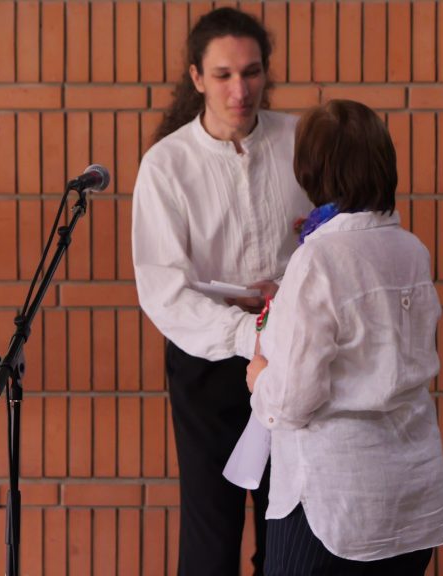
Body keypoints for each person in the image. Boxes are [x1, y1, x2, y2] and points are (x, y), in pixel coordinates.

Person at [131, 7, 313, 575]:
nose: (241, 90)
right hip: (208, 363)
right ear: (196, 77)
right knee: (211, 536)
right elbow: (164, 290)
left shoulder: (301, 141)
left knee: (290, 529)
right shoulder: (167, 165)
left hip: (293, 357)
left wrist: (287, 295)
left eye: (252, 72)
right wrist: (248, 332)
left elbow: (336, 243)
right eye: (224, 75)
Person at [245, 100, 443, 575]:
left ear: (311, 171)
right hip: (410, 495)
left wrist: (258, 379)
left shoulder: (318, 259)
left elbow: (292, 401)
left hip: (333, 504)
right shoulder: (412, 250)